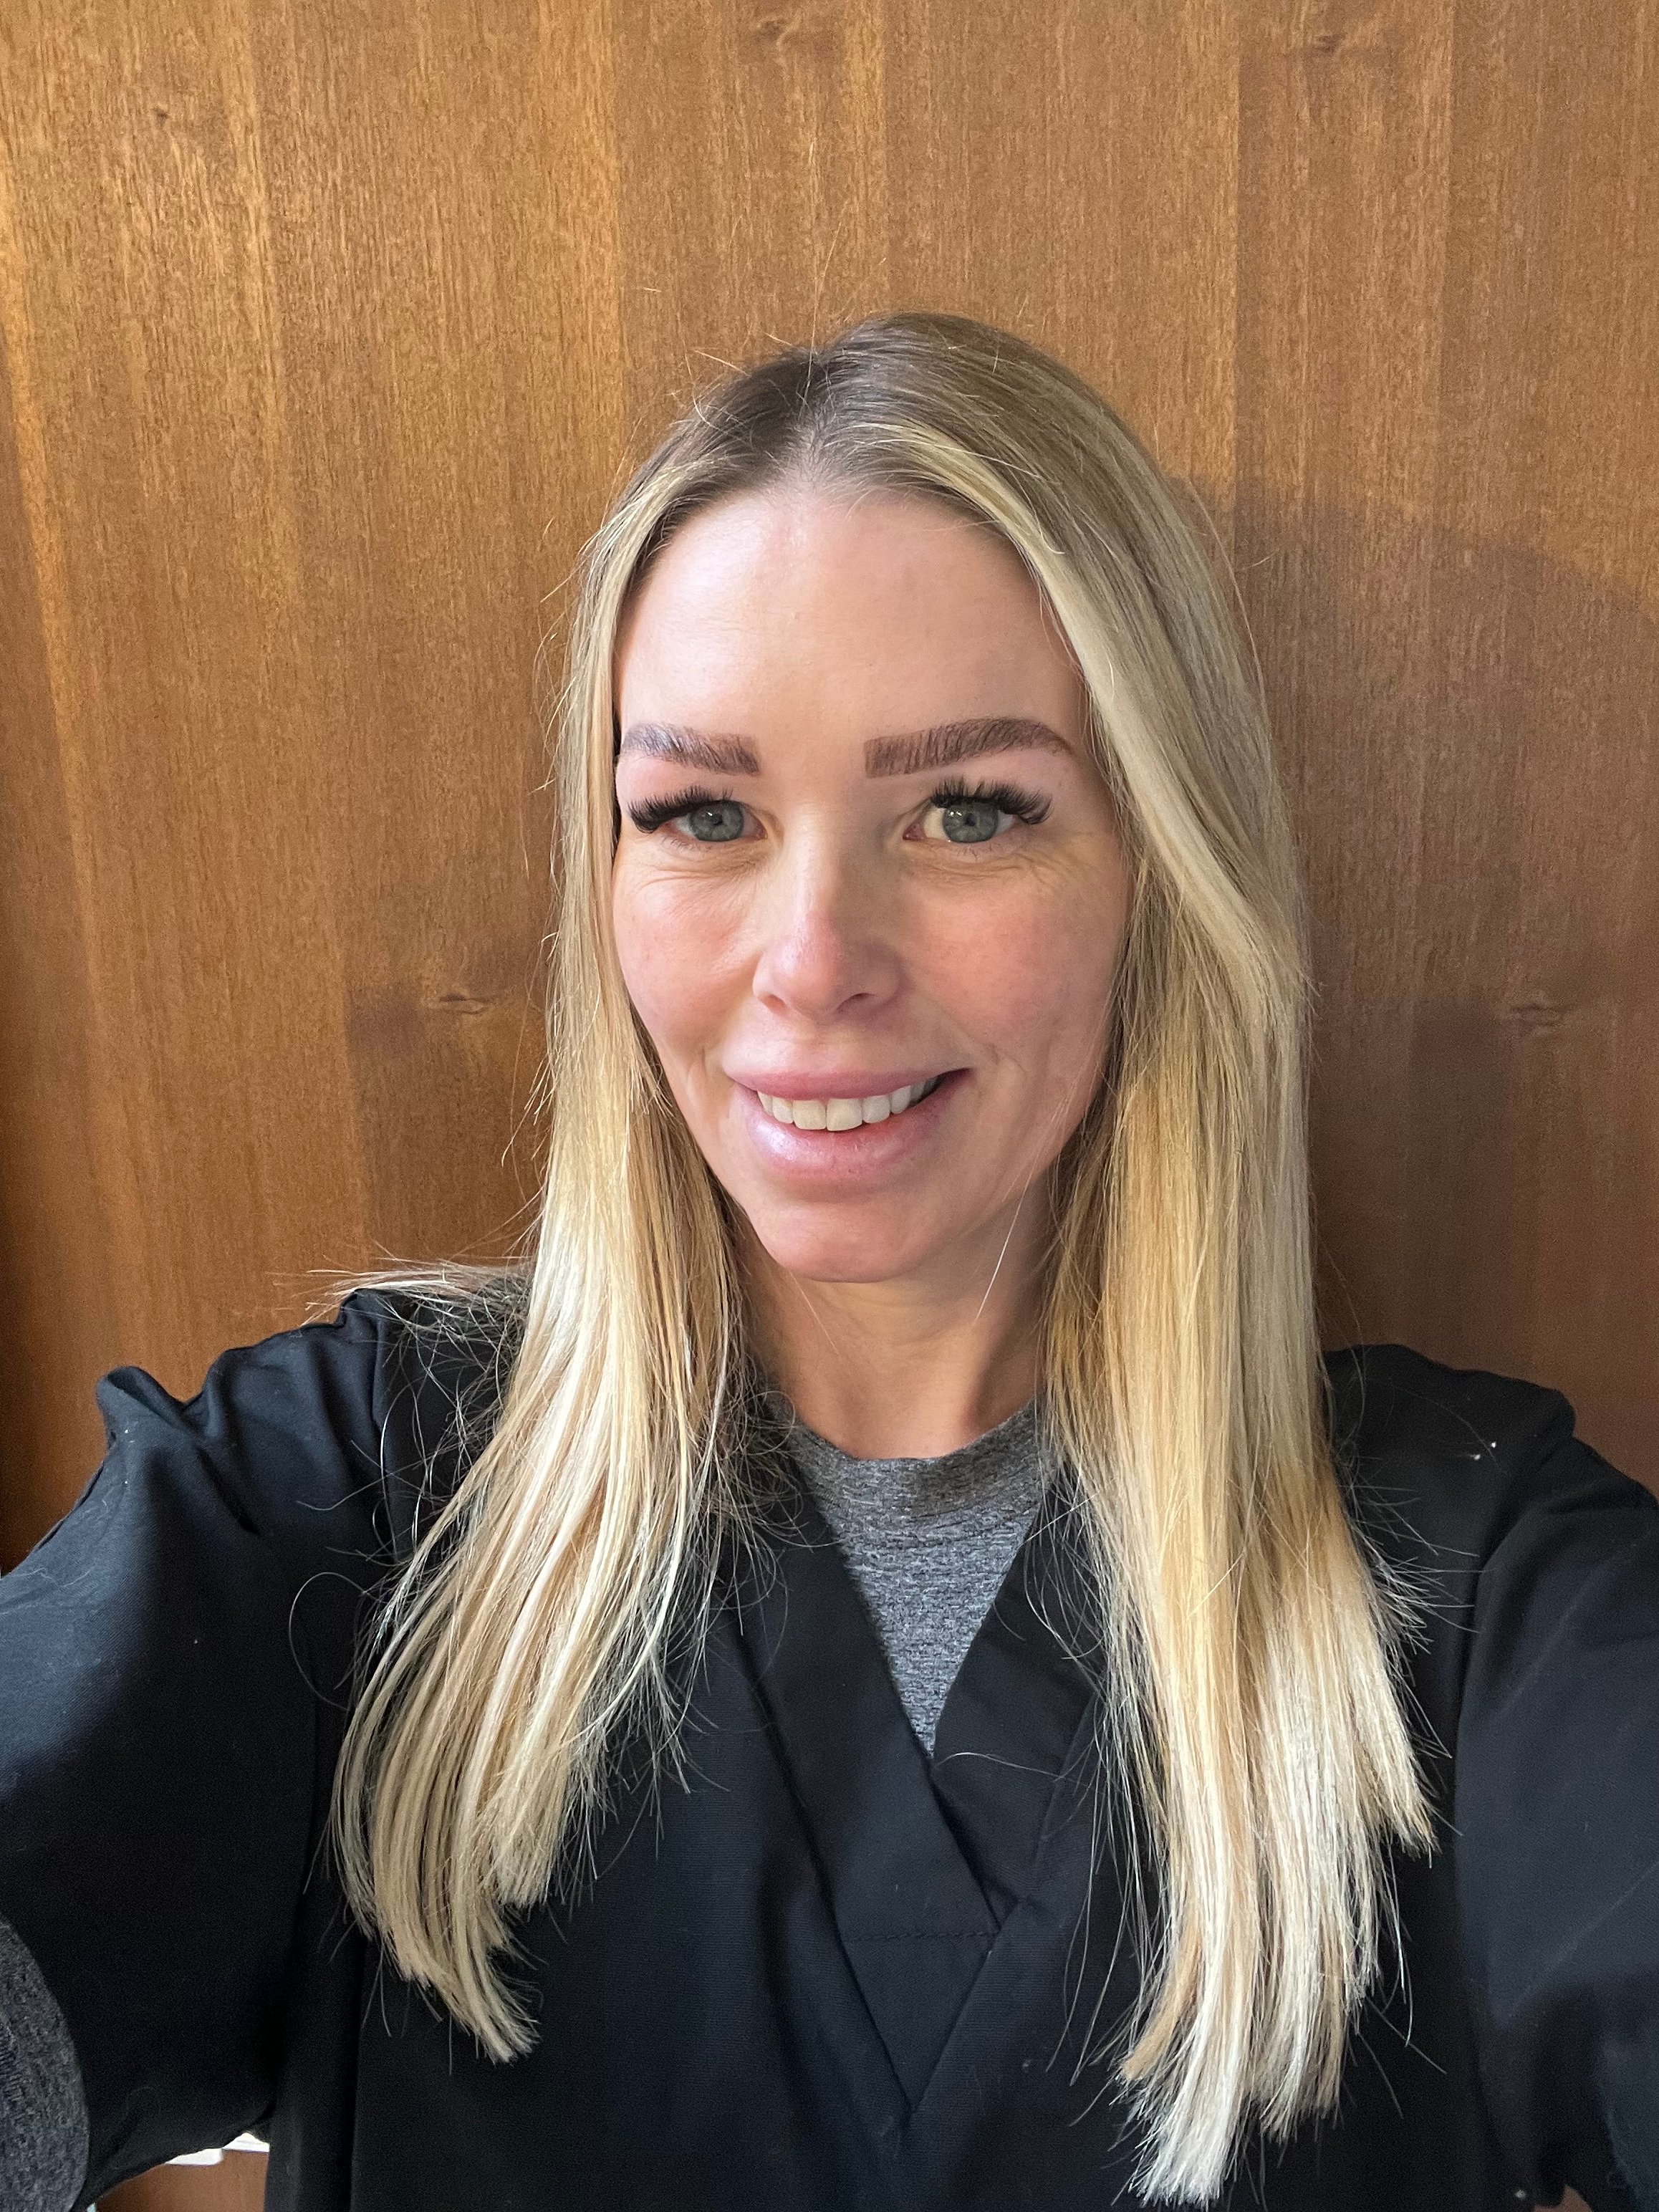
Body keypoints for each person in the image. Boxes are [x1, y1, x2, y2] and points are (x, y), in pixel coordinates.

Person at [1, 312, 1655, 2212]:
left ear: (1159, 874)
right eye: (703, 815)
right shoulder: (336, 1509)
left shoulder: (1475, 1596)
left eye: (967, 811)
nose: (810, 960)